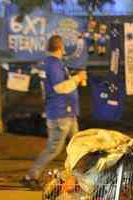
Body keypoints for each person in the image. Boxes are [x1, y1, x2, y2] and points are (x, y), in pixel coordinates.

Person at [21, 35, 87, 188]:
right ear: (60, 47)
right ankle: (30, 176)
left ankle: (80, 179)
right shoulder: (54, 64)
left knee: (77, 147)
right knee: (54, 148)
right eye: (63, 46)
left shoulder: (50, 63)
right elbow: (59, 88)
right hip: (60, 113)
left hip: (65, 112)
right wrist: (77, 78)